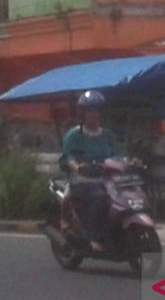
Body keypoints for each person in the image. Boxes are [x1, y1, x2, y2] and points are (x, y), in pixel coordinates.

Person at [59, 90, 120, 250]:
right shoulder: (74, 135)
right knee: (99, 198)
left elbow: (117, 155)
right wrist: (77, 166)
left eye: (96, 110)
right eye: (90, 110)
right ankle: (94, 237)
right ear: (83, 113)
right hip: (81, 181)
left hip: (106, 180)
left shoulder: (107, 136)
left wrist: (130, 162)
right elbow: (68, 157)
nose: (93, 114)